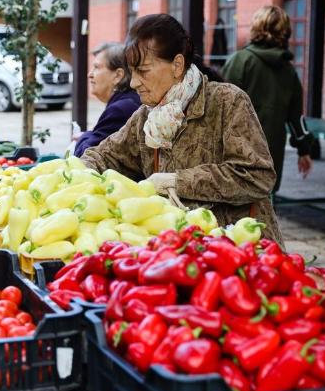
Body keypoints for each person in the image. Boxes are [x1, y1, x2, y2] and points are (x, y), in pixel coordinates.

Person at [81, 14, 282, 242]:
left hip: (241, 248)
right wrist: (77, 172)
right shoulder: (146, 116)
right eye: (132, 72)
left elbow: (258, 176)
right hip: (182, 249)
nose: (134, 82)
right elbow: (106, 155)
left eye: (143, 71)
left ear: (177, 65)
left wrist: (177, 183)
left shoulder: (227, 101)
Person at [222, 5, 314, 192]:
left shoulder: (240, 61)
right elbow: (297, 119)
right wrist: (304, 151)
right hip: (270, 159)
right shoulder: (289, 72)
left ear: (255, 29)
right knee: (263, 214)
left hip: (234, 158)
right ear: (285, 33)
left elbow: (219, 109)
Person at [73, 43, 141, 157]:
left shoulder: (120, 110)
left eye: (97, 67)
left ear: (118, 75)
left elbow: (86, 155)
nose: (90, 74)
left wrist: (84, 136)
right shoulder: (128, 101)